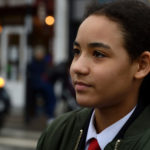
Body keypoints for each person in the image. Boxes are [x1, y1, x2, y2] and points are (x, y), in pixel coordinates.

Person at [36, 0, 150, 150]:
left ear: (141, 65)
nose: (77, 67)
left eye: (98, 54)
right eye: (77, 52)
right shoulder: (59, 132)